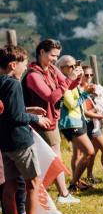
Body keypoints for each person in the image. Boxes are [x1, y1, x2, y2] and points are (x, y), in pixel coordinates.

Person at [0, 44, 52, 214]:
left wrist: (28, 110)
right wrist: (35, 119)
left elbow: (7, 111)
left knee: (10, 185)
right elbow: (15, 116)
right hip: (21, 141)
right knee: (32, 184)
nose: (25, 68)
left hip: (5, 143)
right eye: (23, 65)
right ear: (13, 65)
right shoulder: (13, 83)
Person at [22, 39, 80, 204]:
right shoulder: (33, 76)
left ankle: (61, 193)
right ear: (41, 52)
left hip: (51, 120)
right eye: (53, 55)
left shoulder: (52, 69)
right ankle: (59, 194)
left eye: (57, 56)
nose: (55, 59)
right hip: (41, 122)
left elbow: (67, 86)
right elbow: (51, 96)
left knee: (53, 157)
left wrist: (76, 78)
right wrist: (69, 80)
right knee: (52, 157)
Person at [57, 55, 96, 193]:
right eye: (70, 66)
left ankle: (76, 182)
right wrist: (86, 94)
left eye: (75, 65)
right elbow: (72, 104)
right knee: (89, 152)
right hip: (71, 123)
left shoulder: (72, 83)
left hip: (78, 121)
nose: (74, 68)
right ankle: (73, 183)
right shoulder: (63, 84)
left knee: (80, 153)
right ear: (61, 68)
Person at [80, 69, 103, 184]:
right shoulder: (81, 90)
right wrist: (102, 115)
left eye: (91, 74)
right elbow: (86, 111)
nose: (89, 76)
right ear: (81, 75)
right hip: (91, 125)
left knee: (94, 151)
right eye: (86, 74)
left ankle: (89, 175)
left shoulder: (93, 88)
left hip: (97, 124)